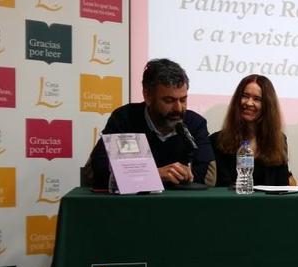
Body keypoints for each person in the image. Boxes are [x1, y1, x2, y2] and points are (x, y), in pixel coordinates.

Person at [89, 58, 214, 188]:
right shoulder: (125, 118)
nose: (178, 108)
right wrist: (154, 175)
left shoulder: (195, 123)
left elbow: (204, 175)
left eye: (183, 100)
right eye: (169, 100)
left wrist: (141, 178)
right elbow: (100, 168)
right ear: (147, 96)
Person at [211, 74, 290, 187]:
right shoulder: (217, 141)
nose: (248, 103)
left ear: (267, 105)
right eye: (245, 96)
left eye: (257, 99)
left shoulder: (279, 140)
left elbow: (282, 186)